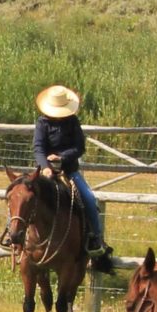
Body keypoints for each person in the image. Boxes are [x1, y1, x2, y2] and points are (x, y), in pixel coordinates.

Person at [31, 85, 112, 272]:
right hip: (45, 172)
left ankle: (95, 238)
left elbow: (79, 147)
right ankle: (13, 236)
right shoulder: (42, 123)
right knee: (23, 195)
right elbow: (38, 148)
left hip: (70, 172)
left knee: (90, 200)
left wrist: (62, 157)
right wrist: (45, 167)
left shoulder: (72, 122)